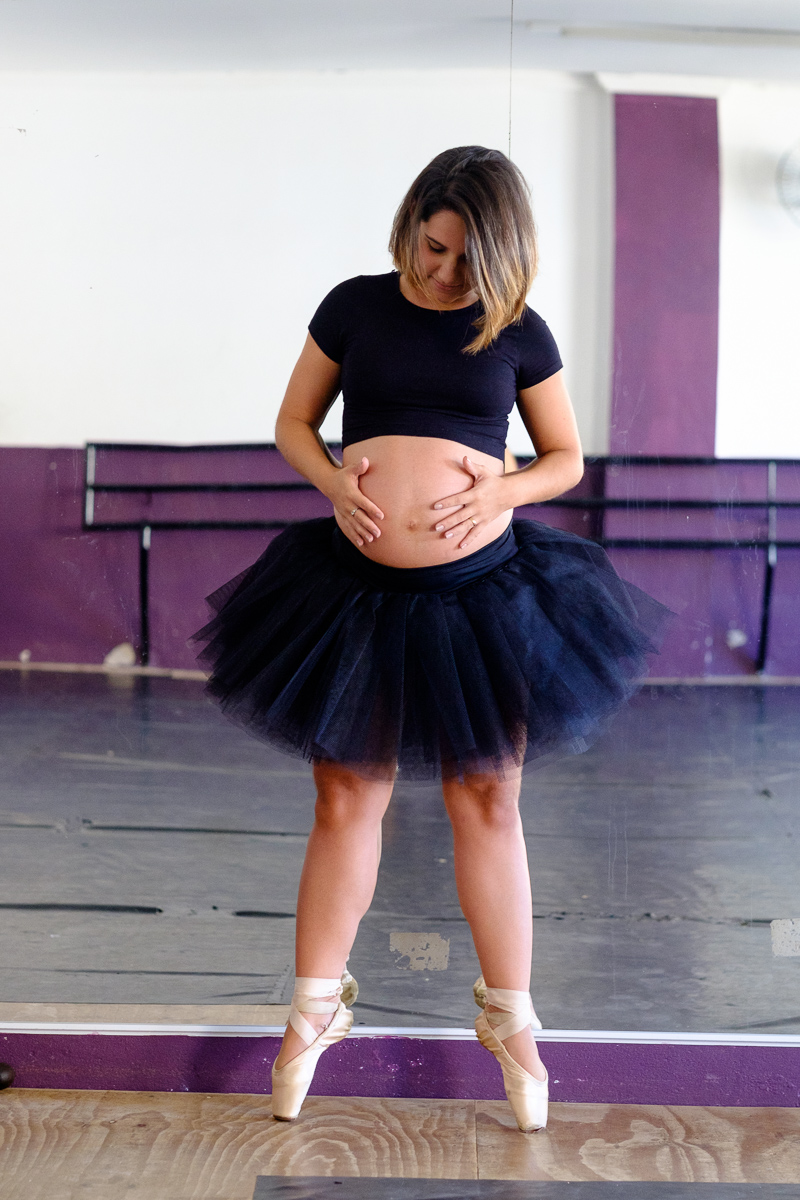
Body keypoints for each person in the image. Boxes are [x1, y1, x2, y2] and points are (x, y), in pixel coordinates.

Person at [194, 146, 670, 1132]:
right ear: (413, 221)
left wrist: (500, 486)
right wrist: (331, 481)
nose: (441, 272)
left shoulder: (517, 332)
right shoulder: (354, 307)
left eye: (463, 260)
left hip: (482, 593)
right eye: (432, 245)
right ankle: (314, 1008)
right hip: (351, 589)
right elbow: (292, 421)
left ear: (500, 260)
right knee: (345, 791)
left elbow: (565, 458)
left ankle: (511, 1018)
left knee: (487, 795)